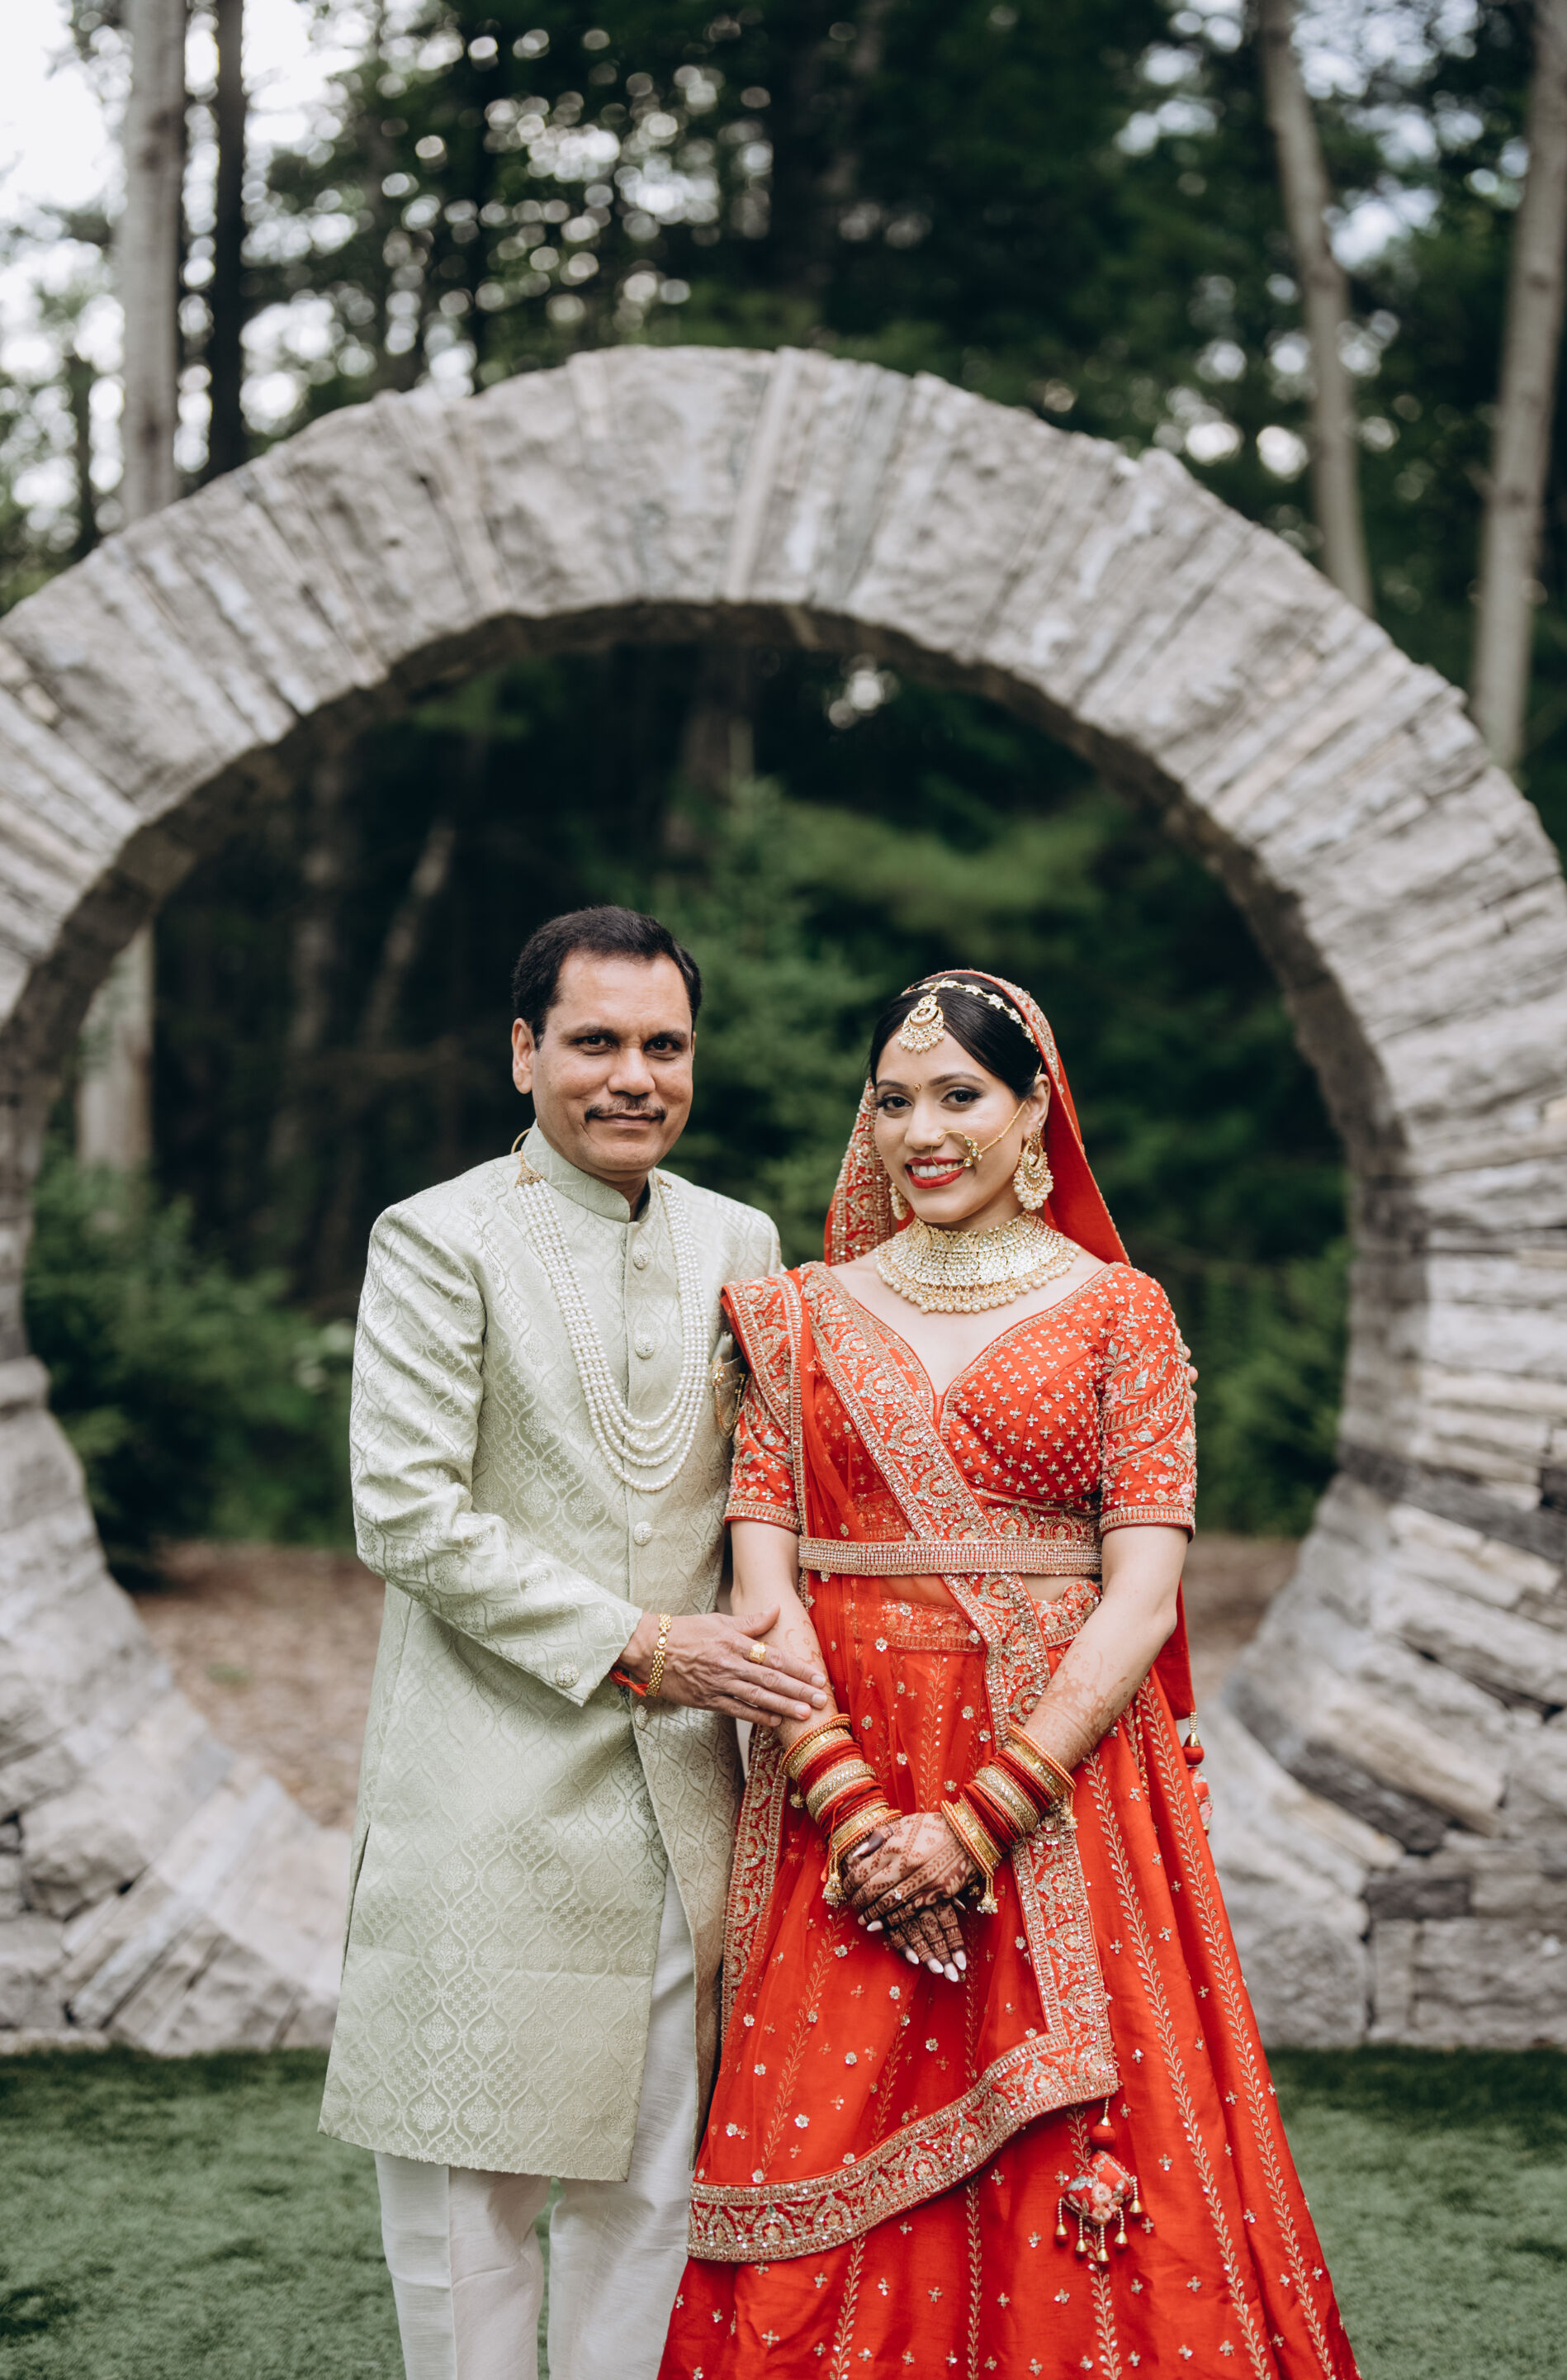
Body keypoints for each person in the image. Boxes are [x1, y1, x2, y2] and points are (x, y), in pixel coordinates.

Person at [661, 970, 1359, 2380]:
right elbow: (760, 1590)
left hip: (1064, 1791)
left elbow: (1142, 1593)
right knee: (812, 2147)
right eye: (894, 1100)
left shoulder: (1121, 1313)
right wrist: (862, 1818)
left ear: (1037, 1108)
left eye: (959, 1095)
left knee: (1088, 2176)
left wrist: (976, 1823)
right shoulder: (793, 1316)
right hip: (839, 1785)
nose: (922, 1130)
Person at [318, 905, 828, 2380]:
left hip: (684, 1806)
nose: (634, 1077)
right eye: (595, 1041)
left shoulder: (739, 1241)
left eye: (665, 1045)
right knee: (470, 2217)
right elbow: (406, 1514)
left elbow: (772, 1488)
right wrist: (649, 1644)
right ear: (523, 1051)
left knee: (655, 2204)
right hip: (490, 1796)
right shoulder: (438, 1236)